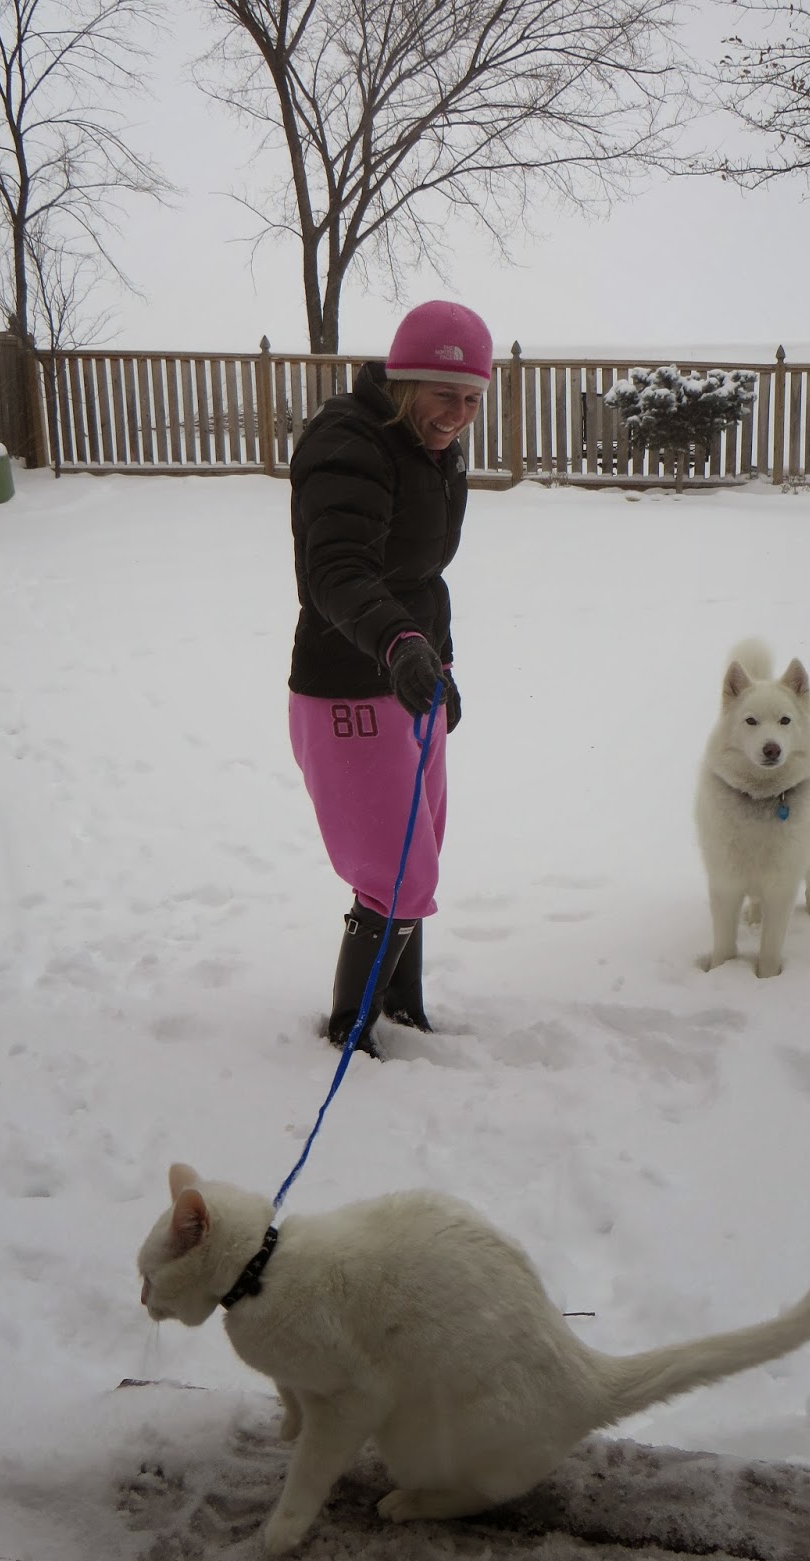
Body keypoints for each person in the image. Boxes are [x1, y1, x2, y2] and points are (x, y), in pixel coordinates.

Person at [287, 300, 493, 1057]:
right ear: (405, 380)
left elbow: (419, 577)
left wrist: (436, 659)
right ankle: (351, 1033)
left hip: (409, 673)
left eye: (472, 399)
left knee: (417, 855)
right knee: (395, 870)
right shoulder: (348, 440)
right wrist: (401, 643)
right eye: (445, 395)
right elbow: (336, 571)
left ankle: (404, 1014)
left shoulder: (430, 450)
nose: (458, 416)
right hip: (349, 683)